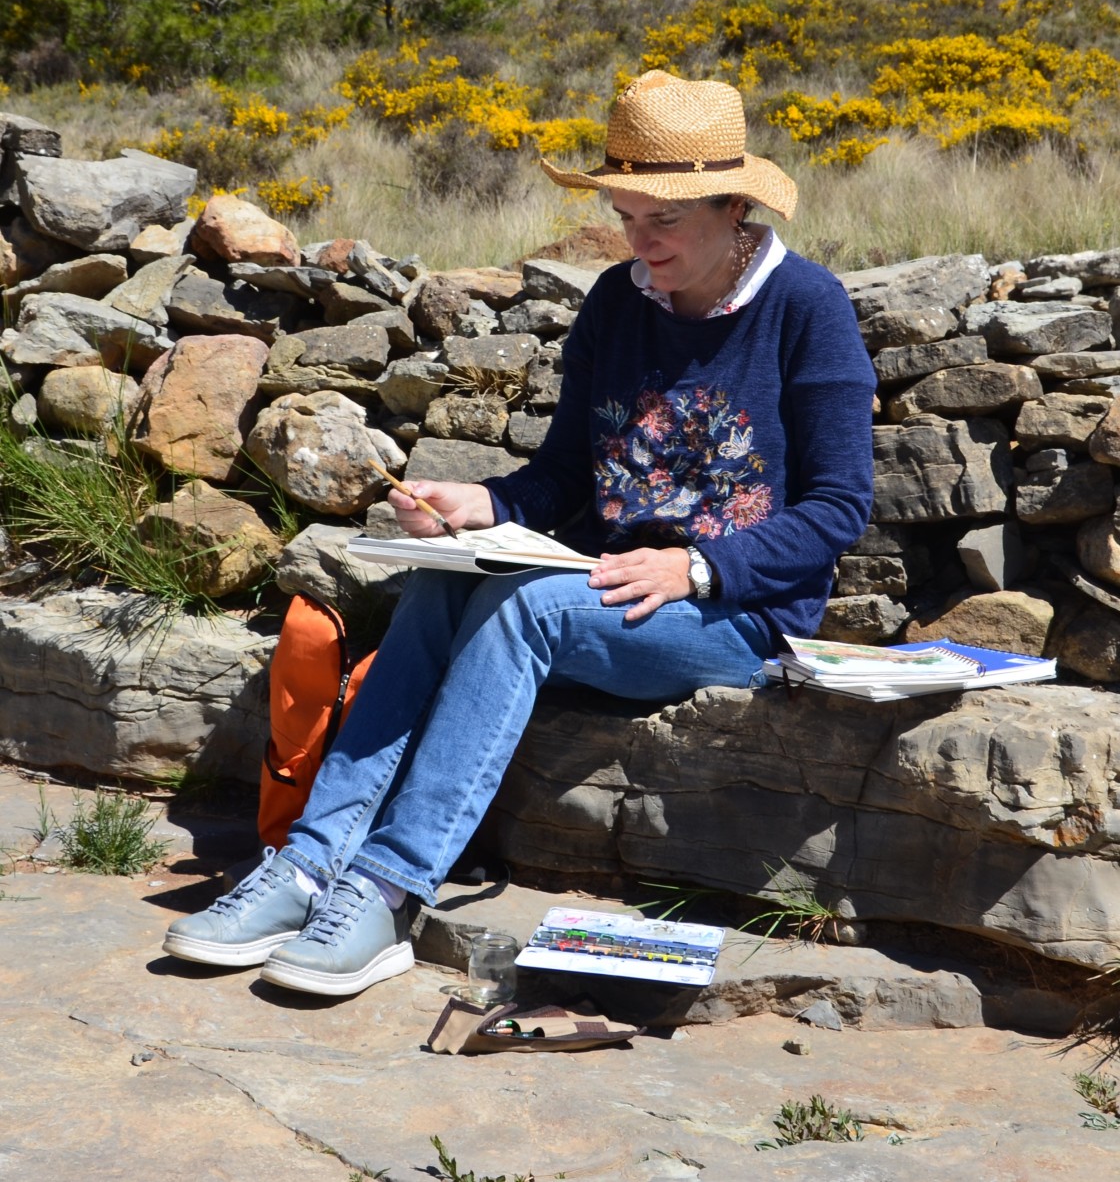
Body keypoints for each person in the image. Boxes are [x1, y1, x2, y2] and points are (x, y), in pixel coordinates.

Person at [163, 69, 877, 997]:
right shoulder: (619, 303)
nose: (637, 242)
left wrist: (699, 565)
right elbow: (566, 478)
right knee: (445, 579)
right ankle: (306, 865)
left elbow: (837, 510)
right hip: (611, 583)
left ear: (735, 208)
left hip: (738, 611)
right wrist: (484, 508)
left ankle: (386, 890)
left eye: (661, 221)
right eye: (624, 216)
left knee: (523, 608)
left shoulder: (806, 308)